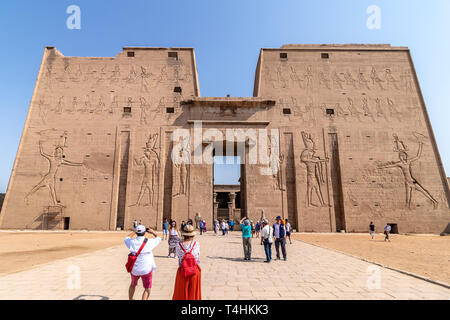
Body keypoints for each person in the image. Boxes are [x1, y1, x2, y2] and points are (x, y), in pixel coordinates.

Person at [124, 225, 161, 300]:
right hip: (146, 269)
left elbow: (126, 238)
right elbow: (159, 238)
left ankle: (130, 299)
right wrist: (153, 232)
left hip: (135, 269)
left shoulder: (132, 242)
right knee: (147, 288)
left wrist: (134, 231)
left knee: (133, 284)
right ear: (145, 233)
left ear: (137, 232)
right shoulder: (150, 241)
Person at [172, 224, 202, 300]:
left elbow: (178, 257)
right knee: (194, 294)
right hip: (194, 271)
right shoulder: (196, 244)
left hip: (183, 271)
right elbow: (197, 256)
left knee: (181, 294)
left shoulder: (178, 245)